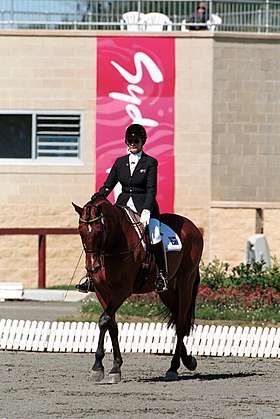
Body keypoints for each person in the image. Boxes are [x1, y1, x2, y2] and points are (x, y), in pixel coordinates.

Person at [77, 123, 168, 294]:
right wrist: (96, 198)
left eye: (137, 141)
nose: (133, 144)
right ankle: (90, 277)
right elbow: (108, 186)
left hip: (144, 207)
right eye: (130, 141)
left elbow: (151, 189)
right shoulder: (120, 163)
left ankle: (162, 275)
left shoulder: (150, 162)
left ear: (143, 142)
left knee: (154, 235)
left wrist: (147, 209)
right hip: (124, 205)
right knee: (104, 233)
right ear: (126, 142)